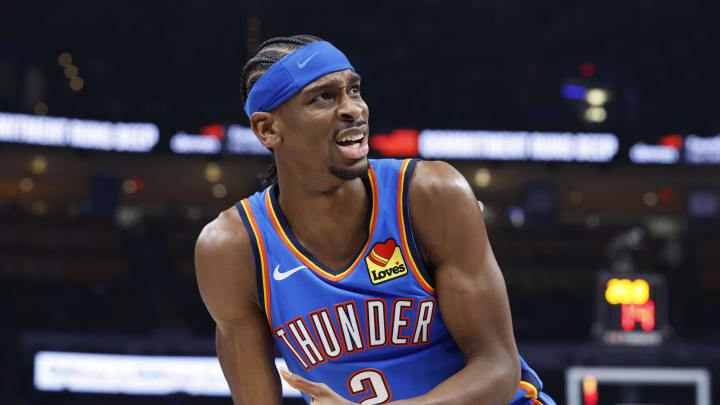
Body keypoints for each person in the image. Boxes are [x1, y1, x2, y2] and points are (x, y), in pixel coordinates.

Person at [195, 35, 554, 405]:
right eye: (323, 97)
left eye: (354, 90)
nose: (353, 109)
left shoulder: (428, 194)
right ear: (267, 129)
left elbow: (497, 368)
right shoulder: (232, 248)